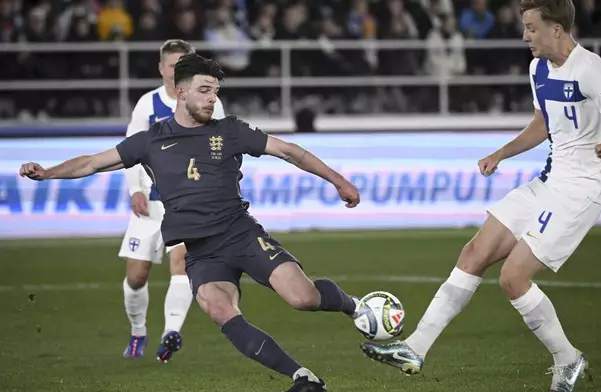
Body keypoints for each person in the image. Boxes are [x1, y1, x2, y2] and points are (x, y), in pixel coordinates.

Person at [20, 53, 363, 392]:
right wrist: (48, 173)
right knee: (218, 308)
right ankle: (304, 378)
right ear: (181, 92)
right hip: (201, 253)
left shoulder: (231, 131)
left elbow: (290, 151)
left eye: (215, 91)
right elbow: (93, 163)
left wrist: (338, 180)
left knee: (303, 298)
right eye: (204, 90)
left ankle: (355, 306)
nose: (212, 98)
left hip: (241, 234)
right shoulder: (152, 140)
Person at [360, 1, 601, 391]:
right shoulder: (538, 68)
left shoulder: (590, 68)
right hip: (548, 182)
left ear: (557, 29)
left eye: (531, 28)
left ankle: (568, 359)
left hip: (579, 192)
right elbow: (542, 124)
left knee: (513, 279)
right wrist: (501, 152)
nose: (525, 36)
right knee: (473, 253)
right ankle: (414, 348)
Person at [118, 39, 226, 363]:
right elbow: (129, 149)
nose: (178, 71)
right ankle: (138, 332)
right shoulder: (147, 105)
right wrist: (134, 190)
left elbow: (221, 147)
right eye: (173, 65)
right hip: (149, 203)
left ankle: (170, 334)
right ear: (162, 69)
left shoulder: (211, 103)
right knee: (137, 277)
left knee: (181, 264)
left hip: (186, 203)